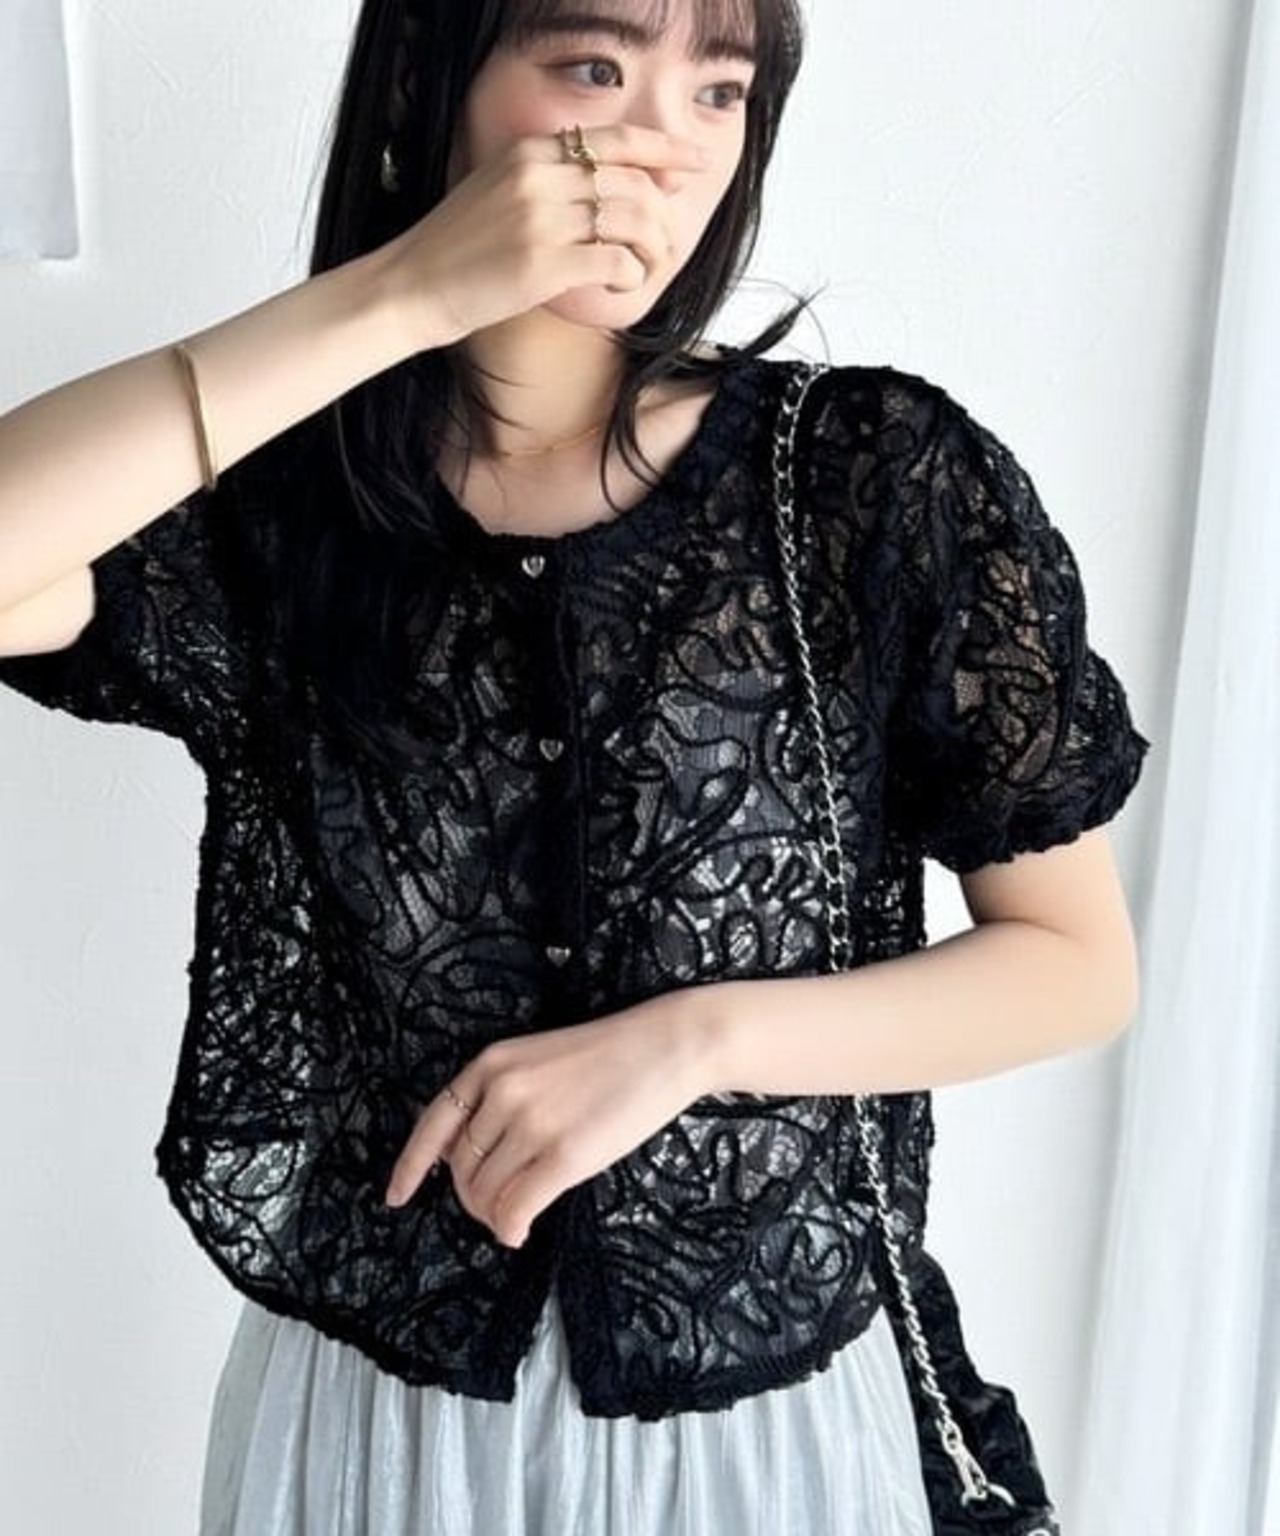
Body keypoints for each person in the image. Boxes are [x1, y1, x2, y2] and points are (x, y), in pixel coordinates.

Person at [0, 1, 1147, 1532]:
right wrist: (404, 291)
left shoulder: (867, 482)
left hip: (756, 1433)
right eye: (595, 68)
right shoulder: (282, 516)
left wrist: (689, 1044)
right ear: (430, 88)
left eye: (721, 90)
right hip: (375, 1433)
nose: (666, 144)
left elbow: (1075, 964)